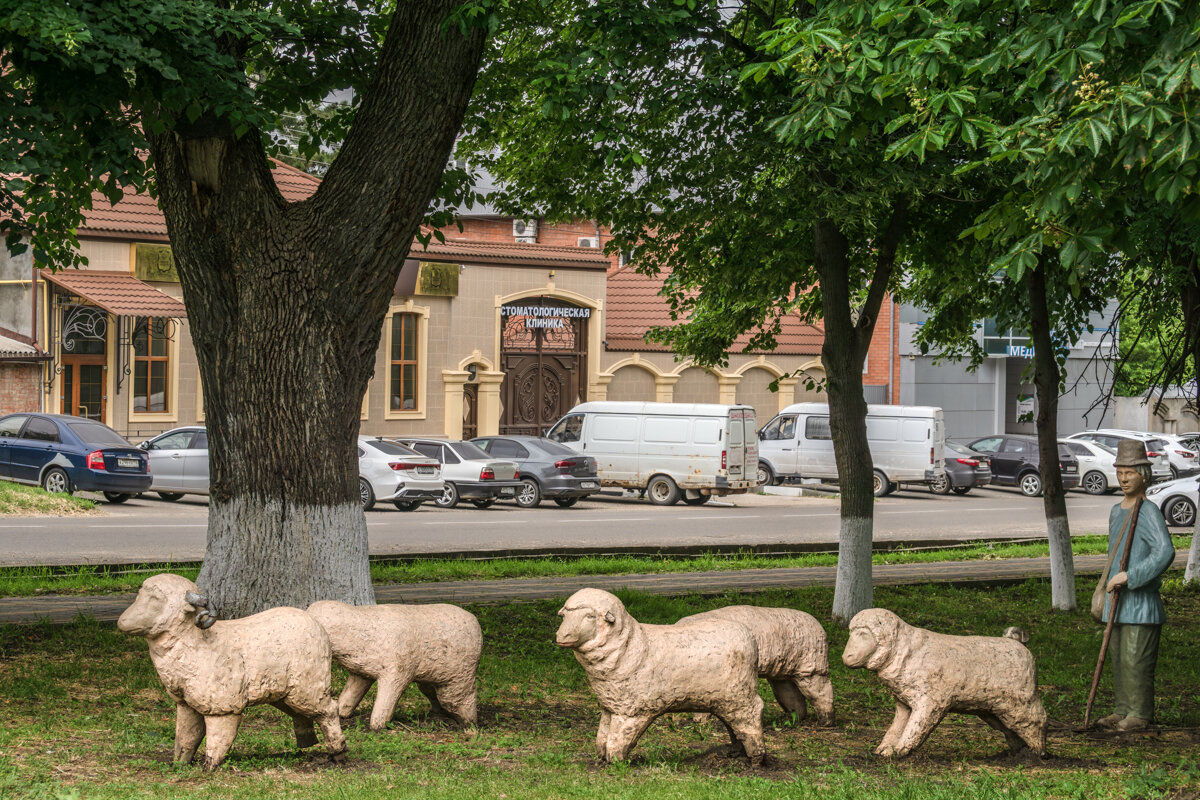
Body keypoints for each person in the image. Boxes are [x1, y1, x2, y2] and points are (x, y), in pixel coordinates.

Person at [1097, 439, 1176, 731]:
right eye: (1120, 472)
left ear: (1143, 473)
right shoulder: (1118, 510)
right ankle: (1122, 709)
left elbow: (1164, 552)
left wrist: (1130, 576)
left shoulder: (1148, 510)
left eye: (1130, 472)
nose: (1124, 478)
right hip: (1117, 602)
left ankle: (1139, 713)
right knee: (1118, 659)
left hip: (1141, 604)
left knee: (1136, 661)